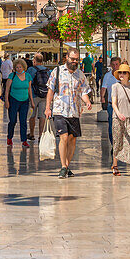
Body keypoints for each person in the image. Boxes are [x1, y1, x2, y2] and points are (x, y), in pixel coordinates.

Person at [45, 48, 92, 179]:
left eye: (77, 59)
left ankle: (67, 165)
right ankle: (63, 167)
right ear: (66, 57)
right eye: (72, 59)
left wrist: (87, 101)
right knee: (63, 137)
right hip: (60, 110)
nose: (75, 61)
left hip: (74, 111)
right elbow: (50, 90)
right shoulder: (57, 71)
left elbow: (83, 92)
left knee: (72, 140)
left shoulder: (80, 74)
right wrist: (47, 107)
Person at [4, 58, 34, 146]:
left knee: (23, 121)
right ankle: (9, 137)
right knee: (13, 121)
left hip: (25, 101)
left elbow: (29, 90)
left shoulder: (28, 76)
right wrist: (6, 101)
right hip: (13, 100)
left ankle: (24, 140)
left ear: (23, 67)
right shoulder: (11, 76)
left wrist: (32, 101)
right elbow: (7, 89)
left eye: (20, 67)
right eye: (17, 67)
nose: (18, 69)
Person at [26, 53, 49, 140]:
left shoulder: (31, 69)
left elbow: (28, 83)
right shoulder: (47, 70)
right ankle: (41, 135)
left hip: (34, 96)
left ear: (34, 60)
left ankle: (31, 134)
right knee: (42, 116)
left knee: (32, 116)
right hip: (44, 96)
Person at [99, 56, 121, 145]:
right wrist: (102, 97)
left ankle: (121, 145)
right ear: (111, 65)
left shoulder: (123, 74)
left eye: (117, 64)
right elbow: (103, 87)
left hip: (122, 105)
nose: (115, 66)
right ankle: (114, 145)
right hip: (111, 104)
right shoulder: (107, 76)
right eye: (113, 64)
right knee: (112, 126)